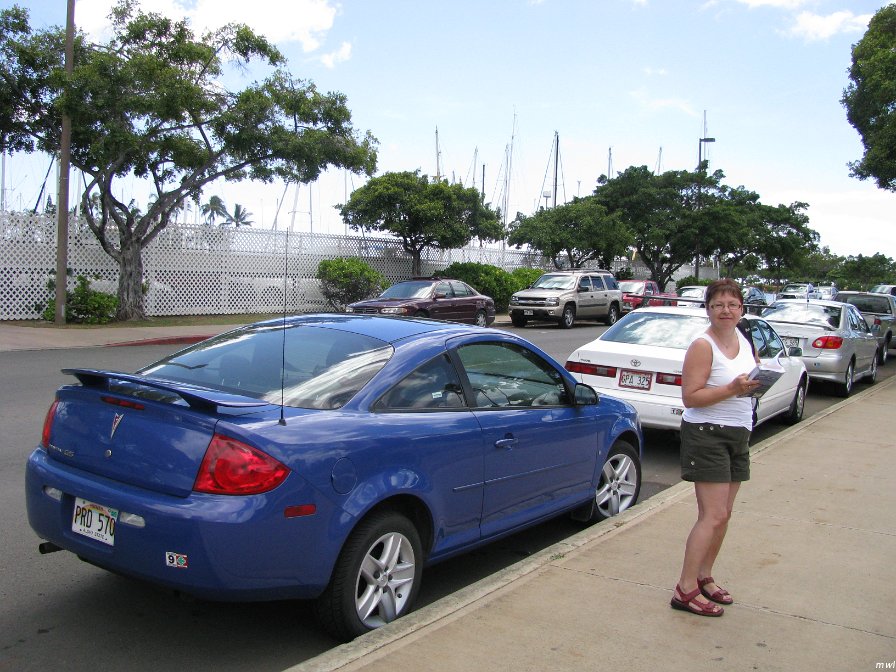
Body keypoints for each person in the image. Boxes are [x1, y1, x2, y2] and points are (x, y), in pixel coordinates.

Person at [671, 278, 760, 617]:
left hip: (739, 432)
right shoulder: (702, 345)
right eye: (718, 305)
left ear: (741, 309)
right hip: (707, 433)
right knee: (712, 515)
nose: (726, 310)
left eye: (732, 305)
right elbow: (691, 397)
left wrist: (756, 383)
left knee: (725, 514)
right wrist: (732, 389)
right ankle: (684, 589)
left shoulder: (744, 339)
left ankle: (704, 576)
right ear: (708, 309)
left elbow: (749, 379)